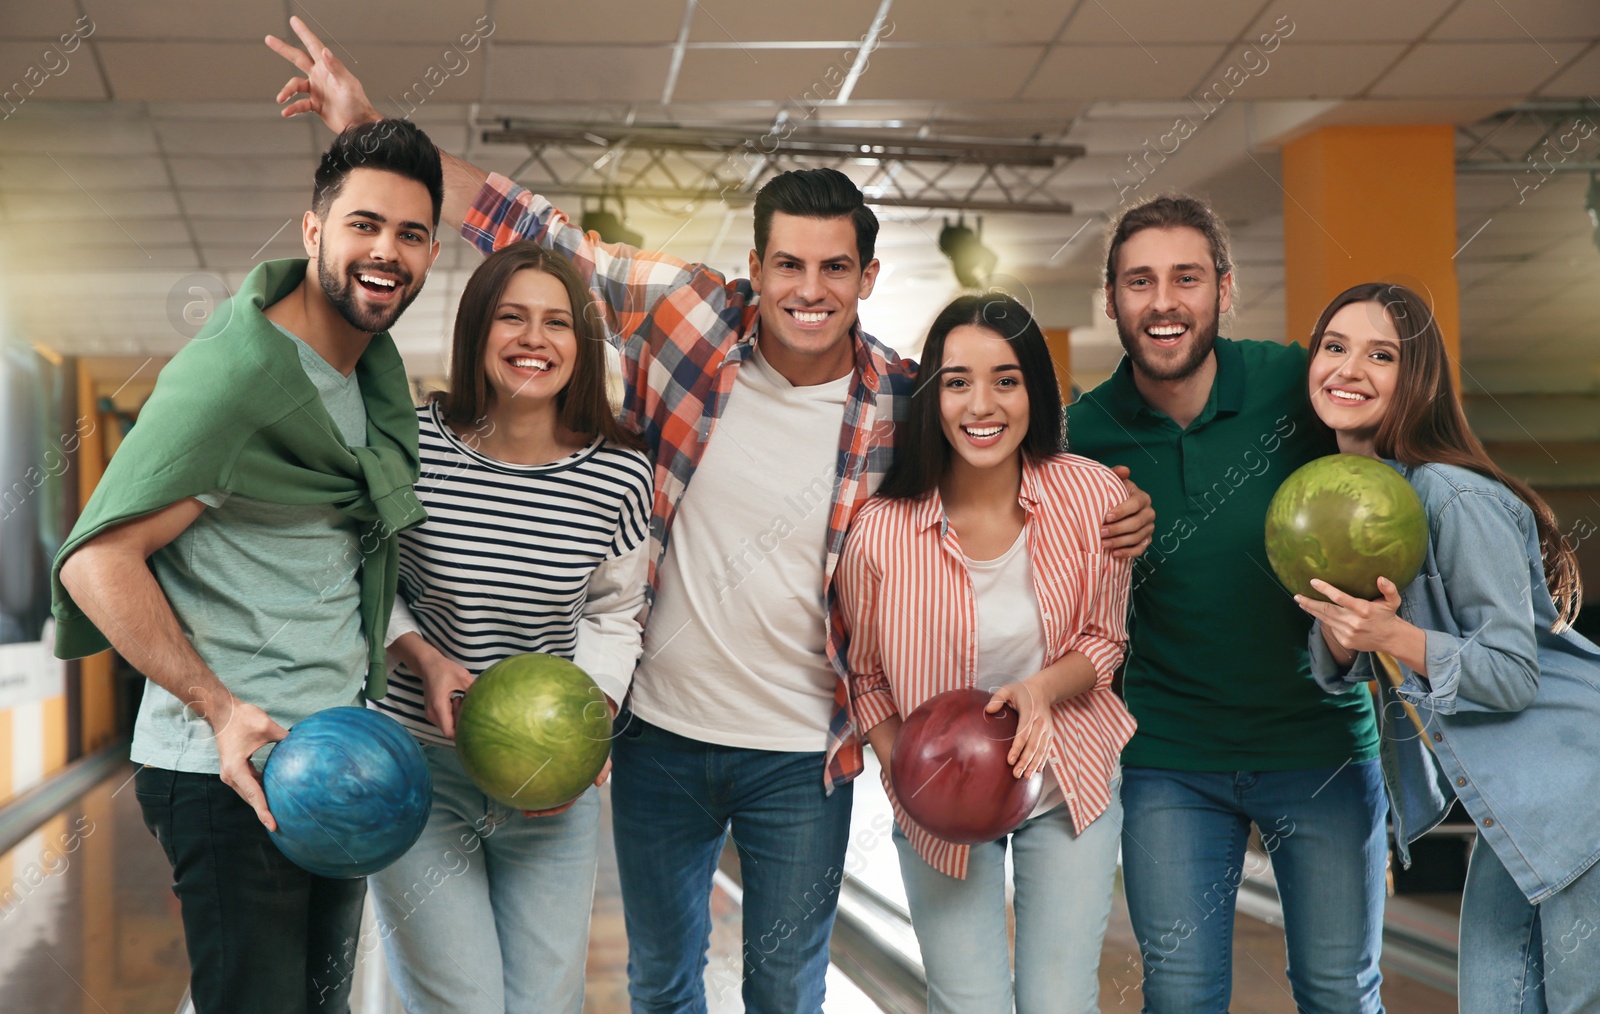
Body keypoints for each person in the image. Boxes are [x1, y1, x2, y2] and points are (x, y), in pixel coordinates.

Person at [265, 20, 1153, 1011]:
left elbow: (1018, 447)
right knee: (661, 980)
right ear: (755, 266)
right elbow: (533, 232)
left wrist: (1121, 501)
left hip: (801, 758)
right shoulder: (689, 314)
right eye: (786, 266)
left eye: (831, 271)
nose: (806, 291)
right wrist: (371, 129)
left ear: (867, 278)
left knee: (785, 986)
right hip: (658, 738)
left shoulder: (910, 399)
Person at [50, 120, 443, 1013]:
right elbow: (98, 562)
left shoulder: (365, 381)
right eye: (363, 225)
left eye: (411, 234)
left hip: (336, 758)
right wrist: (219, 707)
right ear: (312, 233)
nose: (386, 251)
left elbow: (331, 565)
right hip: (229, 770)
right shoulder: (232, 379)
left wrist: (415, 651)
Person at [1066, 194, 1386, 1013]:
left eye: (1186, 278)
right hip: (1171, 759)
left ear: (1225, 290)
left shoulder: (1296, 384)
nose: (1164, 301)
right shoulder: (1083, 434)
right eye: (1139, 281)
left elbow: (1400, 448)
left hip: (1321, 748)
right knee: (1178, 997)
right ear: (1112, 301)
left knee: (1339, 993)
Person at [1296, 282, 1600, 1013]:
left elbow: (1510, 674)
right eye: (1334, 347)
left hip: (1581, 796)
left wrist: (1394, 636)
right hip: (1516, 815)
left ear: (1418, 378)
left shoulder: (1449, 495)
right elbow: (1332, 664)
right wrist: (1349, 640)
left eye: (1381, 355)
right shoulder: (1358, 501)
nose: (1349, 367)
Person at [366, 241, 652, 1013]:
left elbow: (615, 611)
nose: (535, 339)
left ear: (582, 347)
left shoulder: (619, 474)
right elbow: (365, 578)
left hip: (548, 788)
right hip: (419, 770)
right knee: (460, 1004)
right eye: (511, 318)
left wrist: (583, 725)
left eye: (557, 323)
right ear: (476, 333)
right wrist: (421, 657)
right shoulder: (413, 445)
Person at [837, 293, 1134, 1014]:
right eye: (958, 381)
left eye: (1006, 379)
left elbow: (1105, 639)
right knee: (967, 1002)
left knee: (1058, 1003)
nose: (983, 404)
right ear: (932, 397)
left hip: (1068, 780)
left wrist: (1039, 692)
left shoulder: (1091, 496)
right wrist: (911, 771)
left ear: (1035, 388)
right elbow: (867, 678)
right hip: (940, 803)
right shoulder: (880, 533)